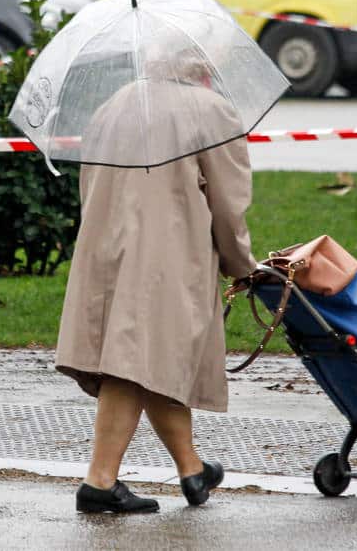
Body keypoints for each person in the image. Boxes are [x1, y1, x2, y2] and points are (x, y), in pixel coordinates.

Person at [55, 72, 257, 514]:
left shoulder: (115, 103)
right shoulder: (210, 111)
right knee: (134, 362)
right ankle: (100, 481)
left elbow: (88, 182)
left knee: (149, 358)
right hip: (168, 252)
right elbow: (228, 202)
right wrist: (242, 265)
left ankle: (192, 469)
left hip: (108, 245)